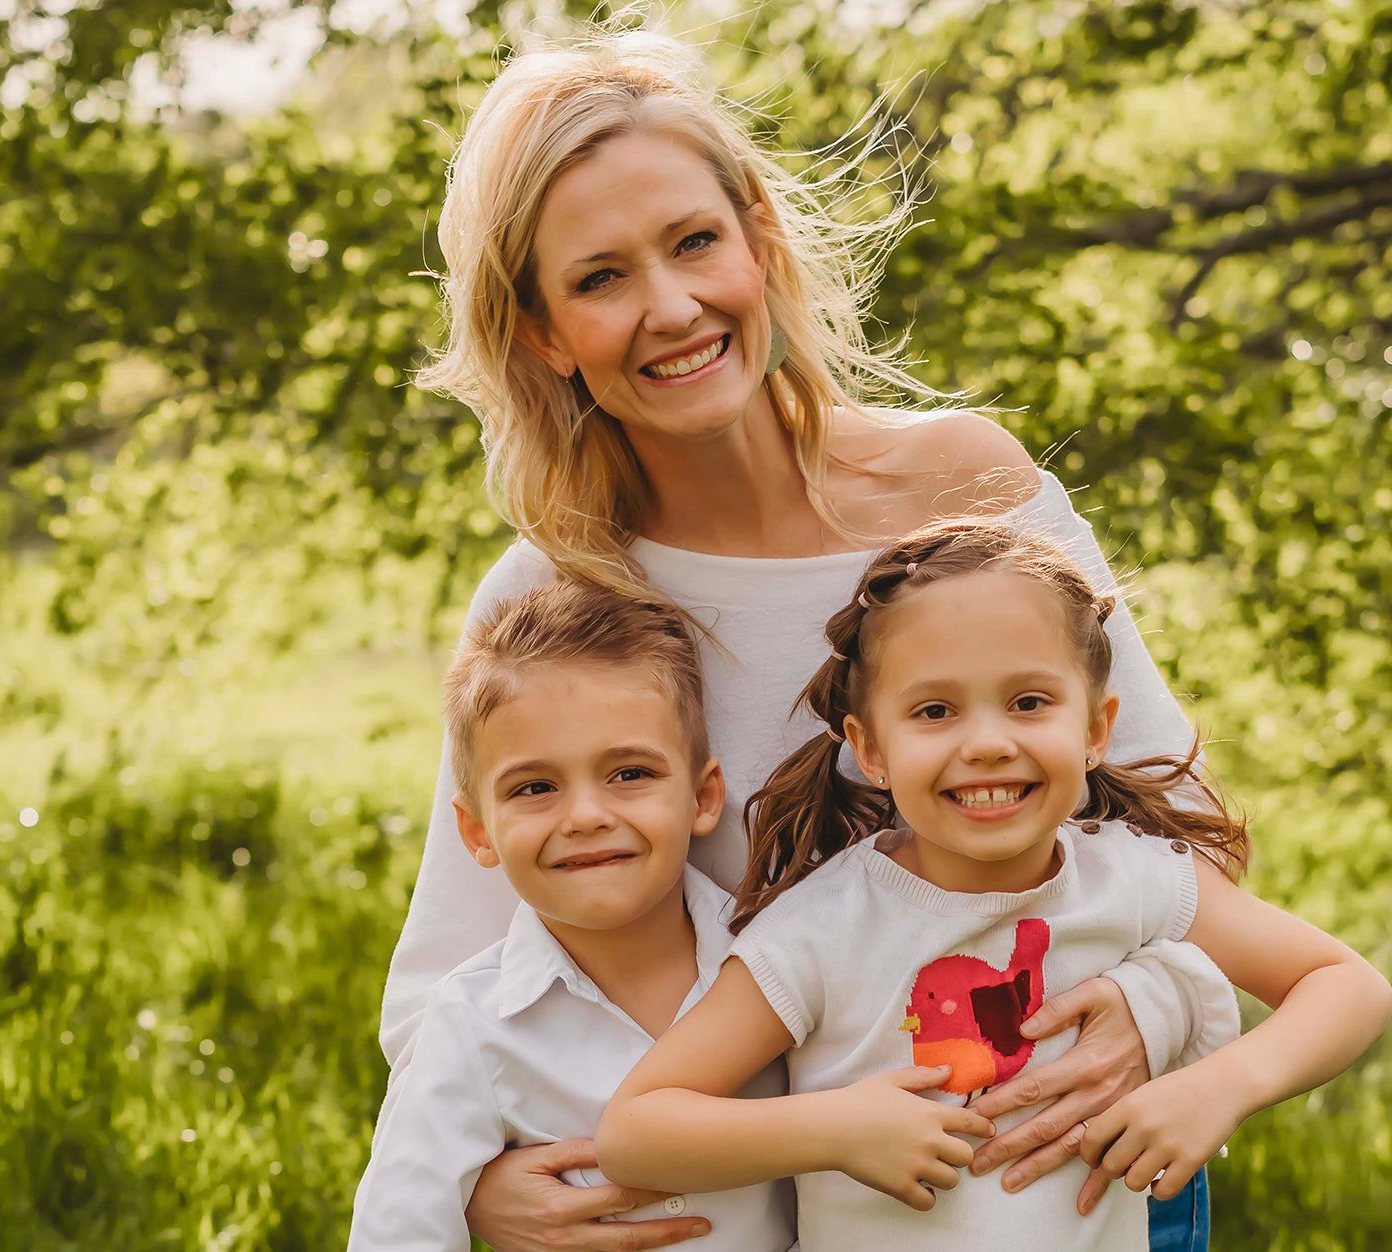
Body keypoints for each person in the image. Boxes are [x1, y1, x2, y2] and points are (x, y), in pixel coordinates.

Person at [389, 22, 1240, 1249]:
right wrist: (470, 1188)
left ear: (758, 237)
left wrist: (1157, 1002)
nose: (671, 307)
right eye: (600, 278)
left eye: (693, 243)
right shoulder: (559, 595)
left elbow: (1169, 838)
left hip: (1059, 1171)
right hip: (748, 1202)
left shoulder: (966, 487)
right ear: (539, 333)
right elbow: (454, 968)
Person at [597, 520, 1392, 1246]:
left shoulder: (1135, 876)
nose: (986, 743)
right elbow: (638, 1131)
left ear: (1094, 730)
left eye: (1027, 702)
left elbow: (1347, 985)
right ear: (869, 749)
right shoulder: (826, 926)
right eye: (936, 711)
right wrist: (833, 1130)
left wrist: (1222, 1087)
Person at [349, 581, 796, 1250]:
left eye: (630, 774)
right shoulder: (472, 1024)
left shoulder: (785, 957)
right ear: (477, 833)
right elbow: (399, 1232)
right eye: (536, 788)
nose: (586, 816)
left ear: (703, 797)